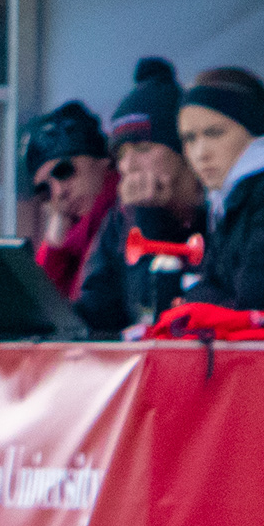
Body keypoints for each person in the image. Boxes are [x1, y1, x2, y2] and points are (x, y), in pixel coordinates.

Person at [90, 58, 208, 332]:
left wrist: (150, 216)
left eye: (142, 148)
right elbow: (98, 310)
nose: (127, 166)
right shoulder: (122, 217)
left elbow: (167, 317)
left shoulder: (225, 213)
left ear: (184, 151)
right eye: (120, 153)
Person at [179, 64, 264, 312]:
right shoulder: (227, 199)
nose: (200, 153)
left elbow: (258, 299)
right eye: (189, 139)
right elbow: (211, 286)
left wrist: (200, 302)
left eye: (215, 133)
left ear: (254, 131)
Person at [17, 102, 121, 314]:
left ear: (103, 161)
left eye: (64, 172)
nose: (58, 193)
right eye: (45, 189)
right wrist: (55, 244)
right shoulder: (73, 240)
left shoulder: (123, 219)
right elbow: (42, 312)